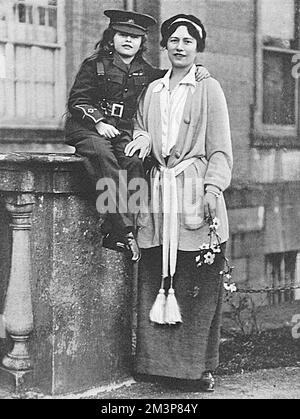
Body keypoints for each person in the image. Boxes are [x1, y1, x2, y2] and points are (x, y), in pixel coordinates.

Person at [128, 14, 233, 392]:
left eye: (188, 40)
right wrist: (141, 140)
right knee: (157, 272)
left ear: (197, 47)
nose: (180, 46)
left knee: (195, 280)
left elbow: (220, 149)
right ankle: (156, 365)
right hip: (159, 192)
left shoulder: (208, 89)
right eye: (173, 39)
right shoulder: (153, 90)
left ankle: (195, 368)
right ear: (164, 45)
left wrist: (212, 189)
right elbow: (141, 127)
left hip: (193, 190)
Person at [65, 9, 210, 263]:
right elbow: (77, 100)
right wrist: (98, 122)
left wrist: (198, 69)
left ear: (143, 42)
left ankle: (122, 227)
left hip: (119, 130)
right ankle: (122, 229)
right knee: (102, 157)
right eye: (122, 35)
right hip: (88, 128)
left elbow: (174, 73)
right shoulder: (95, 65)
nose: (128, 41)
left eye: (135, 37)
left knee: (133, 161)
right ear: (112, 38)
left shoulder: (147, 71)